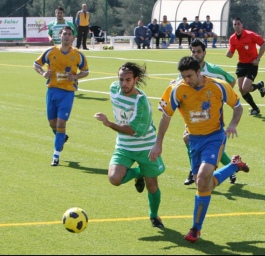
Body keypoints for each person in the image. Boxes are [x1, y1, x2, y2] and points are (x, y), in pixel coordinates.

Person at [149, 56, 250, 243]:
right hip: (193, 139)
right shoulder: (176, 89)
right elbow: (166, 116)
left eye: (189, 76)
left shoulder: (219, 86)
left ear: (199, 72)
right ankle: (234, 166)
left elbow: (238, 107)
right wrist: (158, 143)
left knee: (203, 178)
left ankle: (195, 228)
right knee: (204, 184)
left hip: (214, 137)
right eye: (183, 76)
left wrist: (233, 124)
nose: (186, 80)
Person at [94, 62, 166, 229]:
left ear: (136, 80)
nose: (124, 84)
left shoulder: (141, 102)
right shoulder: (114, 89)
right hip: (124, 147)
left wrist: (109, 123)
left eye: (128, 80)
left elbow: (133, 130)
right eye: (121, 79)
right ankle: (138, 173)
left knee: (152, 185)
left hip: (145, 147)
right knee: (114, 178)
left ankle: (154, 216)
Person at [181, 39, 237, 186]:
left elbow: (231, 80)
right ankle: (195, 170)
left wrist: (219, 99)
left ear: (204, 52)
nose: (195, 55)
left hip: (209, 115)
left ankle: (228, 167)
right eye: (193, 51)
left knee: (206, 141)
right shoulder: (187, 70)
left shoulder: (213, 70)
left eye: (198, 51)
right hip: (192, 116)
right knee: (188, 138)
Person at [33, 26, 89, 166]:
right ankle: (61, 137)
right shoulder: (51, 51)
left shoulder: (78, 54)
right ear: (60, 35)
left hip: (67, 93)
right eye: (65, 34)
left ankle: (56, 156)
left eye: (69, 34)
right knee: (52, 123)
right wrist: (43, 73)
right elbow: (36, 64)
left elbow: (86, 71)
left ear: (73, 38)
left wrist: (75, 76)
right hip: (52, 91)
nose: (67, 36)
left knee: (61, 123)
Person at [226, 17, 265, 116]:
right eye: (234, 24)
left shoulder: (250, 35)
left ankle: (258, 86)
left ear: (242, 25)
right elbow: (231, 53)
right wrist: (228, 53)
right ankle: (255, 108)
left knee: (245, 87)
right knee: (241, 89)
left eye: (238, 24)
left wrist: (258, 58)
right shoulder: (232, 38)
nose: (236, 26)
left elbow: (263, 45)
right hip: (241, 64)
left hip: (252, 64)